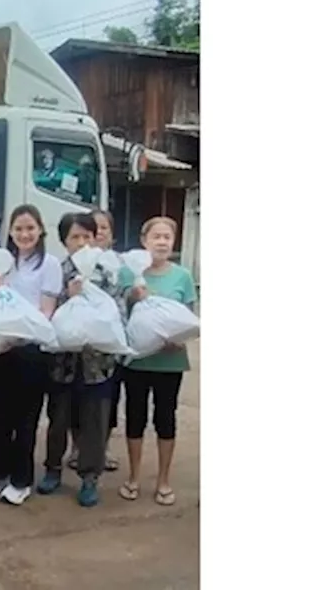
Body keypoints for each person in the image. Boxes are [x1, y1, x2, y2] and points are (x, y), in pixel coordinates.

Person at [37, 212, 125, 507]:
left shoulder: (108, 271)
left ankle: (90, 477)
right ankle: (52, 470)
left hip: (98, 365)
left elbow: (118, 312)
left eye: (87, 236)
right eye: (75, 237)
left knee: (94, 423)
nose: (82, 242)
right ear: (64, 242)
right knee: (58, 420)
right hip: (63, 364)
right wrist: (68, 296)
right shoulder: (58, 272)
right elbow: (47, 311)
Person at [0, 204, 63, 506]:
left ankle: (21, 480)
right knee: (0, 417)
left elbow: (47, 310)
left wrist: (20, 332)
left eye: (30, 228)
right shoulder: (3, 262)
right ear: (10, 232)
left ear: (40, 229)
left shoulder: (50, 264)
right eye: (18, 229)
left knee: (25, 419)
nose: (24, 234)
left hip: (31, 350)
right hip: (0, 348)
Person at [116, 216, 197, 507]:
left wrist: (178, 339)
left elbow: (189, 317)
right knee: (135, 419)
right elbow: (121, 316)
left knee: (166, 420)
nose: (162, 242)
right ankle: (134, 477)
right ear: (144, 241)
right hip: (138, 362)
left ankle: (163, 480)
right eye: (156, 237)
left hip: (170, 362)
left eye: (167, 237)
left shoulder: (182, 277)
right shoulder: (130, 274)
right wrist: (133, 297)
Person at [81, 208, 121, 473]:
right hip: (76, 353)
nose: (98, 233)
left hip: (107, 352)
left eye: (103, 228)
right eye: (92, 228)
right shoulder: (74, 263)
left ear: (111, 234)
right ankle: (77, 450)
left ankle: (100, 451)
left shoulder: (120, 264)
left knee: (106, 406)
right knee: (75, 407)